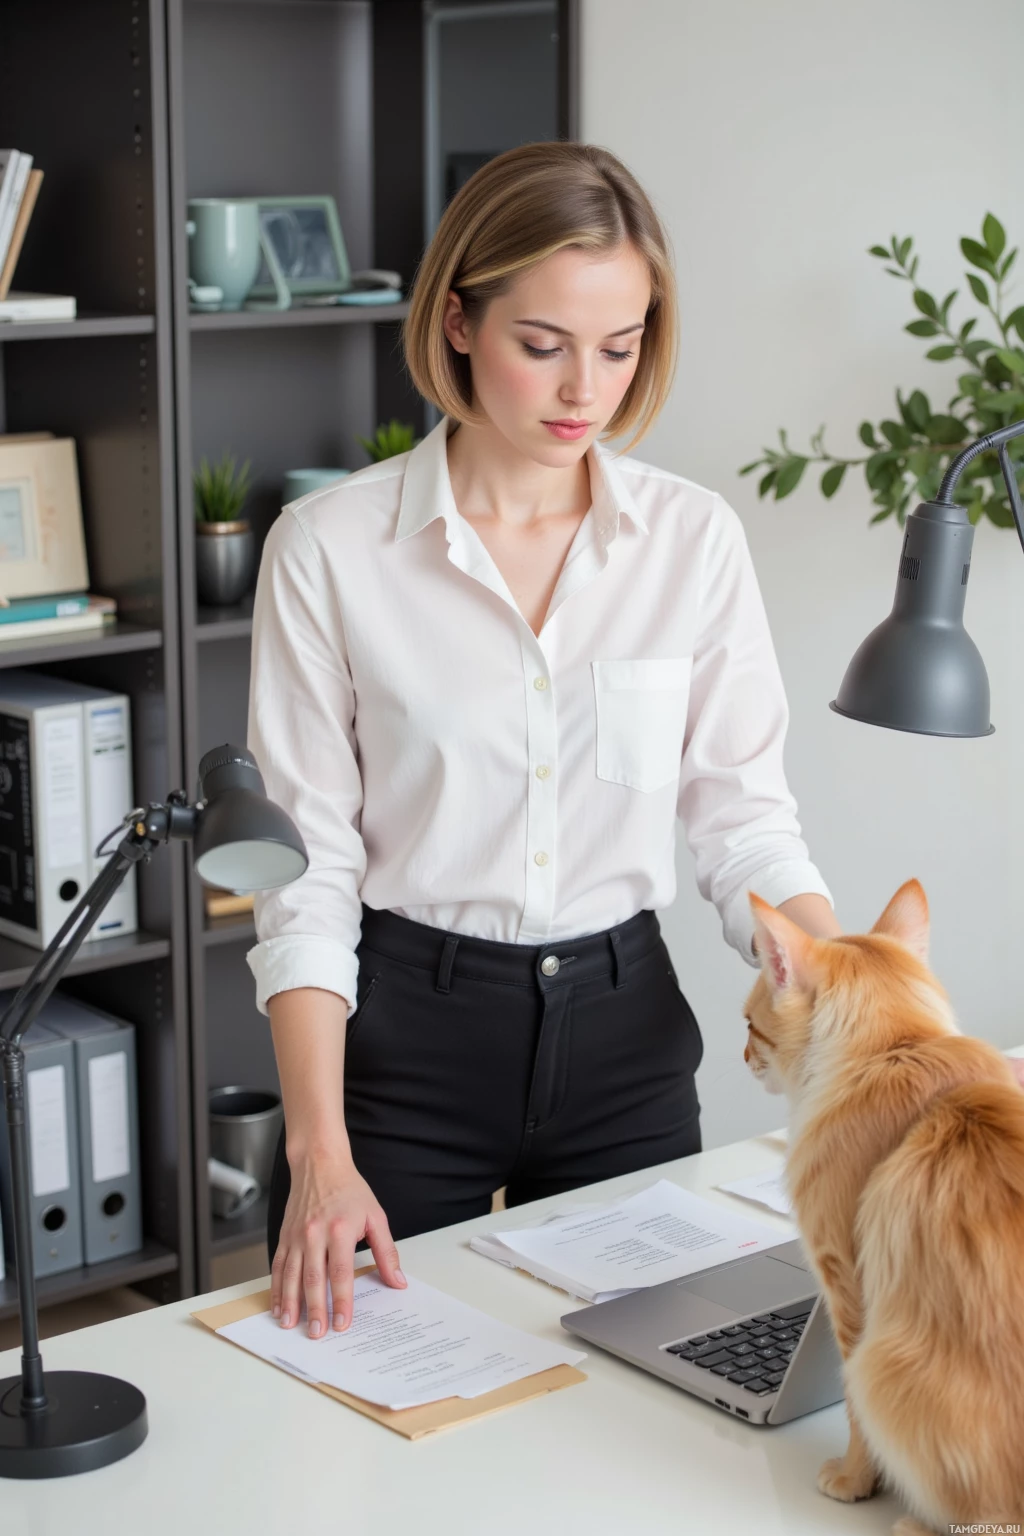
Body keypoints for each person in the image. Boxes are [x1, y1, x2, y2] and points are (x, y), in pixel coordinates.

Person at [246, 141, 839, 1344]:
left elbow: (738, 815)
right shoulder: (329, 550)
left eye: (618, 348)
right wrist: (319, 1152)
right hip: (404, 1044)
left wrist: (848, 985)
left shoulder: (691, 540)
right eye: (544, 345)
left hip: (625, 1039)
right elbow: (308, 870)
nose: (586, 390)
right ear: (459, 321)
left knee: (669, 1401)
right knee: (360, 1411)